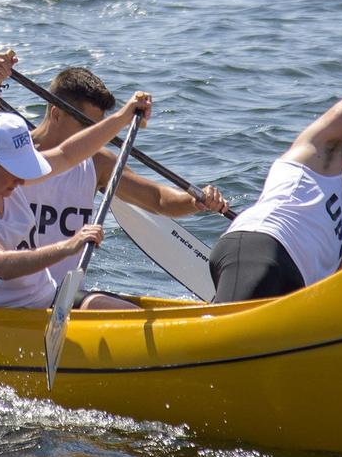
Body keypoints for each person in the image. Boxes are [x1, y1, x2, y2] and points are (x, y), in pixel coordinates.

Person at [208, 32, 342, 303]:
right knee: (227, 342)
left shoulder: (337, 239)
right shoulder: (319, 156)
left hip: (283, 276)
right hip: (262, 251)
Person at [12, 58, 229, 289]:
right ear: (56, 114)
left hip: (62, 296)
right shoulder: (10, 157)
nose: (98, 137)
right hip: (5, 296)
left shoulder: (98, 163)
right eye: (90, 127)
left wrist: (196, 200)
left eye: (101, 128)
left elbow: (158, 200)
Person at [0, 95, 151, 310]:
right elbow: (2, 265)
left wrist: (123, 116)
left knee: (127, 312)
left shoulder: (5, 183)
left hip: (47, 301)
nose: (23, 179)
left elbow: (67, 154)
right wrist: (68, 246)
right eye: (16, 170)